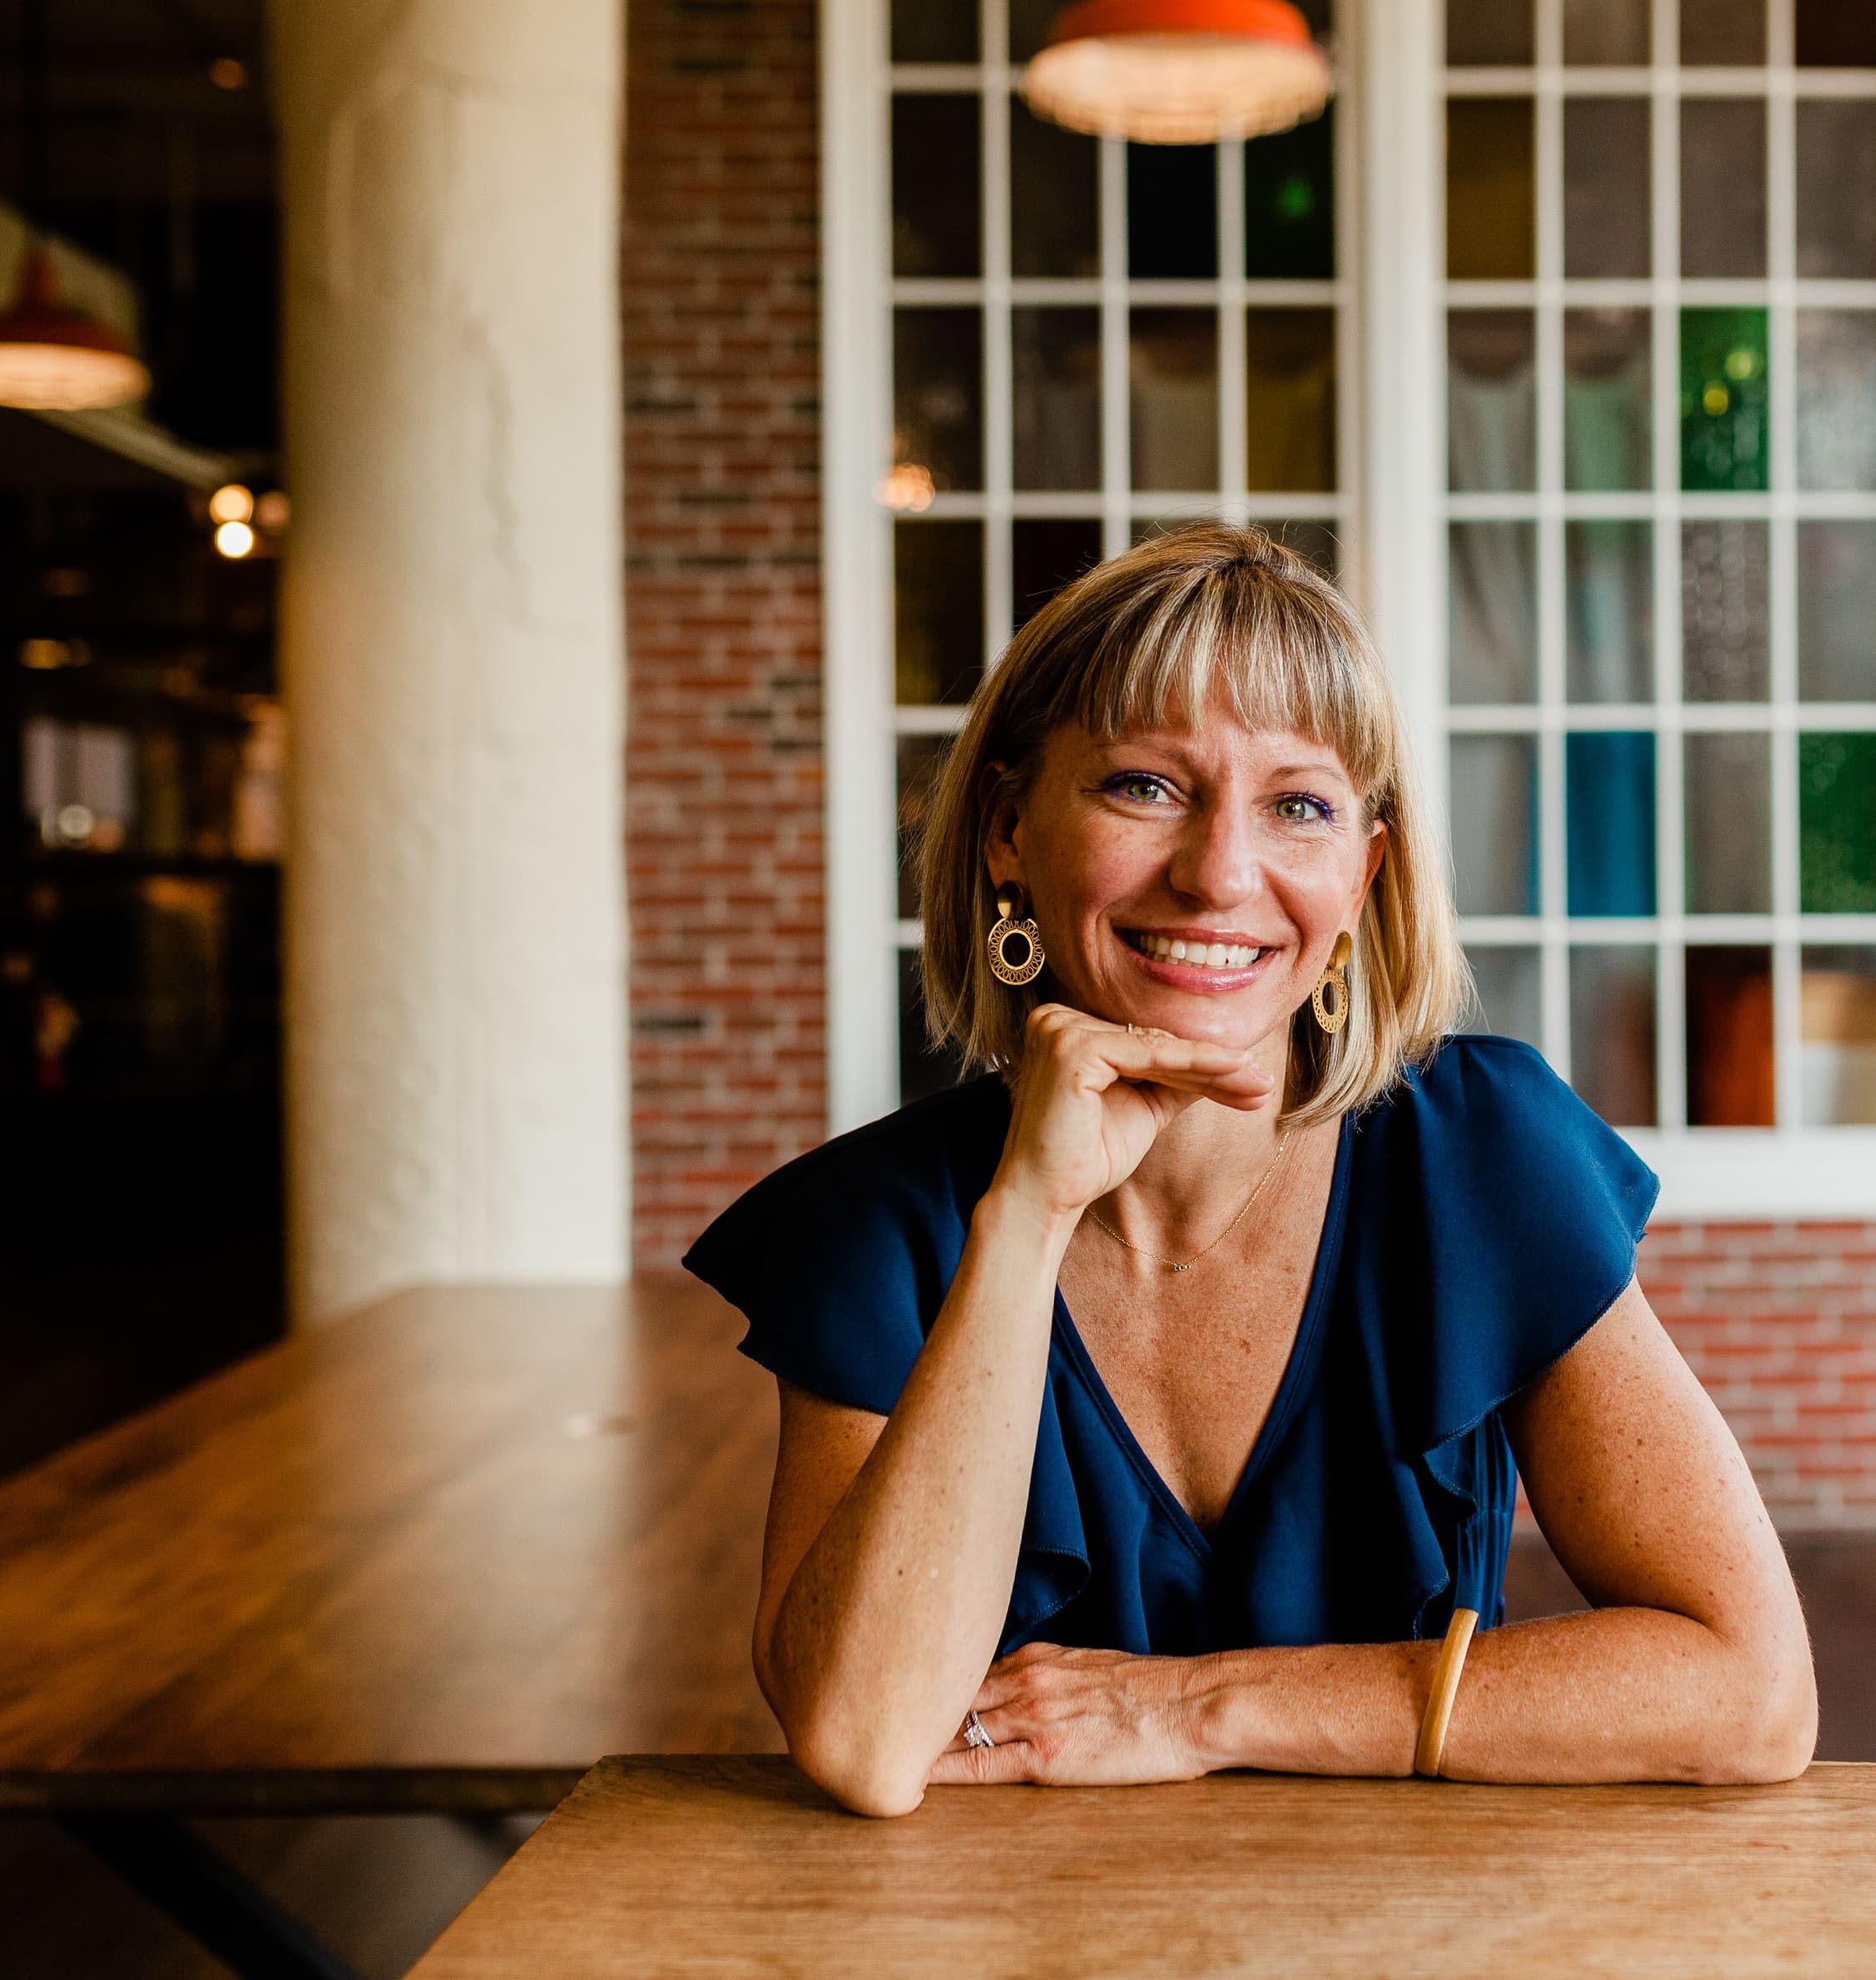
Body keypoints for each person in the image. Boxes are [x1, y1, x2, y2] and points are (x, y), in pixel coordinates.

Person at [687, 526, 1815, 1817]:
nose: (1222, 873)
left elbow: (1753, 1691)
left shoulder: (1480, 1161)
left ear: (1364, 874)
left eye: (1298, 806)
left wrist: (1198, 1707)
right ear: (1007, 828)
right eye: (1145, 787)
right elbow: (864, 1741)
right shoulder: (881, 1228)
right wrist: (1029, 1215)